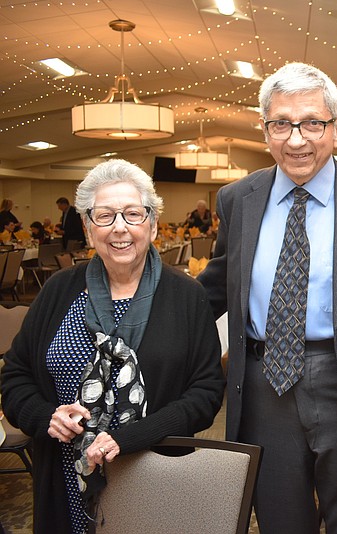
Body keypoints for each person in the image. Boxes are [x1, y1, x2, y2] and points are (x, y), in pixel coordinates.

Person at [197, 62, 337, 533]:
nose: (296, 139)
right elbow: (214, 289)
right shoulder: (237, 198)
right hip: (262, 384)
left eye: (312, 123)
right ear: (265, 131)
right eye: (282, 124)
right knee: (280, 520)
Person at [0, 159, 226, 534]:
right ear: (89, 230)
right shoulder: (59, 290)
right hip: (63, 475)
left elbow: (205, 393)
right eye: (104, 216)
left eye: (132, 214)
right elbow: (16, 376)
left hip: (153, 469)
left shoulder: (187, 295)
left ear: (151, 225)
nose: (119, 227)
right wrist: (47, 417)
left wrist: (128, 437)